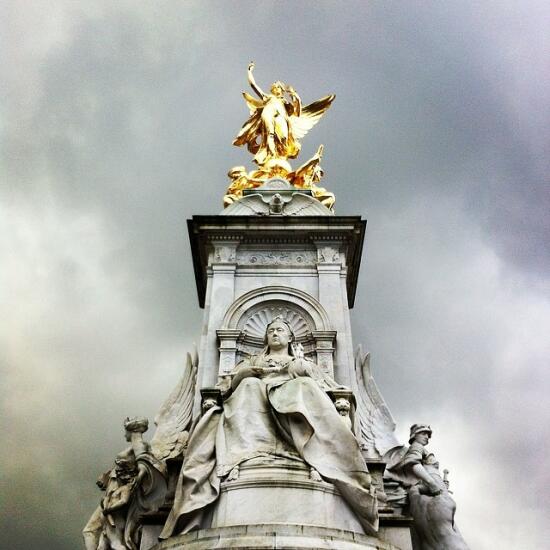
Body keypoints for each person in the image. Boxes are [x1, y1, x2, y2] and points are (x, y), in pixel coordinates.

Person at [160, 317, 378, 538]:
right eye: (271, 330)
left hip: (291, 393)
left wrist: (299, 368)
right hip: (258, 393)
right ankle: (243, 458)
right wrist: (248, 374)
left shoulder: (302, 360)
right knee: (248, 387)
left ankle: (315, 457)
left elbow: (326, 384)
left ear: (290, 337)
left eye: (280, 330)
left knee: (305, 387)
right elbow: (228, 384)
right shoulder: (252, 360)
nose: (275, 333)